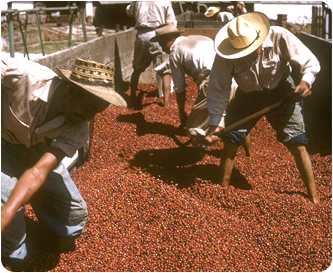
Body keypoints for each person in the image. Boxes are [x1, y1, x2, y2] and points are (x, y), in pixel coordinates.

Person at [0, 58, 127, 273]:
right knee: (10, 223)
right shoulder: (25, 77)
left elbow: (38, 171)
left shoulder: (78, 130)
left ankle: (44, 243)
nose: (88, 117)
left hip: (38, 150)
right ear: (70, 91)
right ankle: (9, 258)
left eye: (96, 113)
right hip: (2, 145)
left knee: (74, 215)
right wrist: (6, 216)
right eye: (87, 108)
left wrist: (7, 212)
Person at [205, 12, 321, 204]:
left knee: (297, 142)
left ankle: (314, 197)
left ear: (259, 39)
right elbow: (218, 88)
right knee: (231, 140)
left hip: (281, 91)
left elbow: (310, 61)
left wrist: (306, 81)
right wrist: (216, 122)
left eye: (251, 51)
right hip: (248, 96)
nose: (248, 56)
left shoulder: (279, 36)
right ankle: (221, 193)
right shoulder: (226, 54)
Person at [150, 23, 252, 156]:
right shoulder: (199, 38)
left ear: (170, 38)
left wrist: (182, 116)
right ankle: (249, 155)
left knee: (194, 127)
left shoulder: (176, 51)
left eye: (161, 43)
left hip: (213, 84)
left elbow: (180, 88)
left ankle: (197, 158)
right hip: (234, 80)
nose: (161, 48)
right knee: (236, 121)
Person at [126, 0, 177, 109]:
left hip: (142, 35)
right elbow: (171, 21)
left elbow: (130, 11)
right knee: (165, 71)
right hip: (158, 34)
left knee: (137, 68)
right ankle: (166, 103)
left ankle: (133, 97)